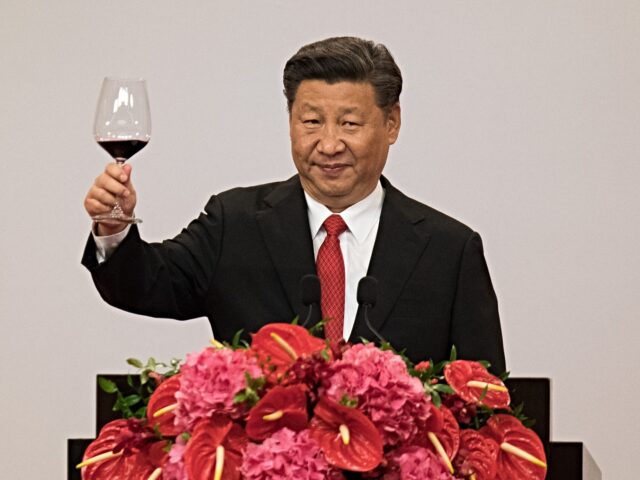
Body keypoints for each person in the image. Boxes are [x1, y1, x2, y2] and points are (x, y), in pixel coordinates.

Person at [83, 36, 506, 373]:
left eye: (349, 123)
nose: (328, 144)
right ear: (290, 121)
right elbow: (144, 285)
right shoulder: (235, 224)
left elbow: (483, 396)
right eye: (311, 121)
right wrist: (113, 224)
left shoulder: (449, 250)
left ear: (391, 123)